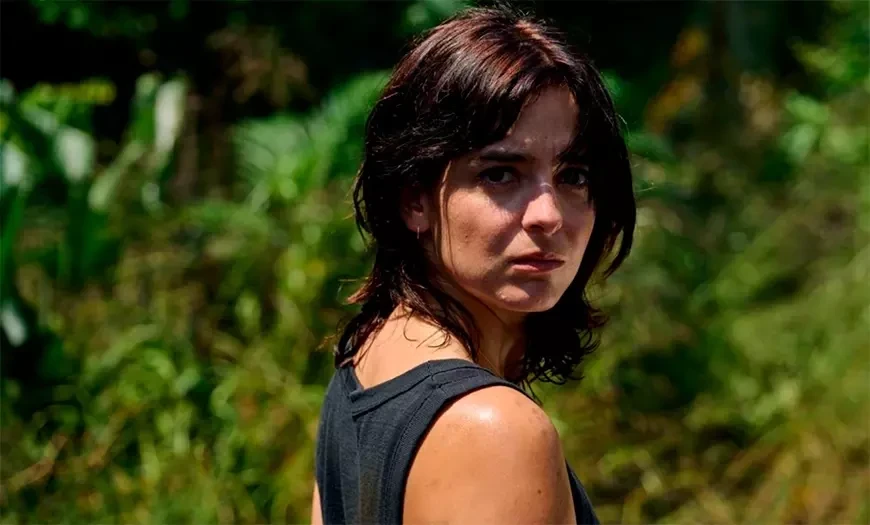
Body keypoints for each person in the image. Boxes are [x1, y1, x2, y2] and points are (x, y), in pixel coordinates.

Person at [312, 5, 635, 524]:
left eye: (574, 175)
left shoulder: (365, 366)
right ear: (414, 199)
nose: (548, 215)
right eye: (500, 174)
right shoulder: (496, 429)